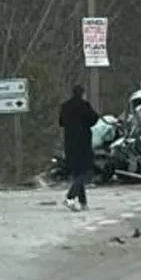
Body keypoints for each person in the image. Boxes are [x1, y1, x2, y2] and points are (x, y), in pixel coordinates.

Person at [59, 84, 100, 212]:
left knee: (77, 172)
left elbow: (61, 122)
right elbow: (94, 119)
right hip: (83, 142)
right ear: (83, 93)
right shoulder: (84, 105)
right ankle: (70, 197)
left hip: (69, 143)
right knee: (86, 171)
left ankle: (83, 203)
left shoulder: (65, 106)